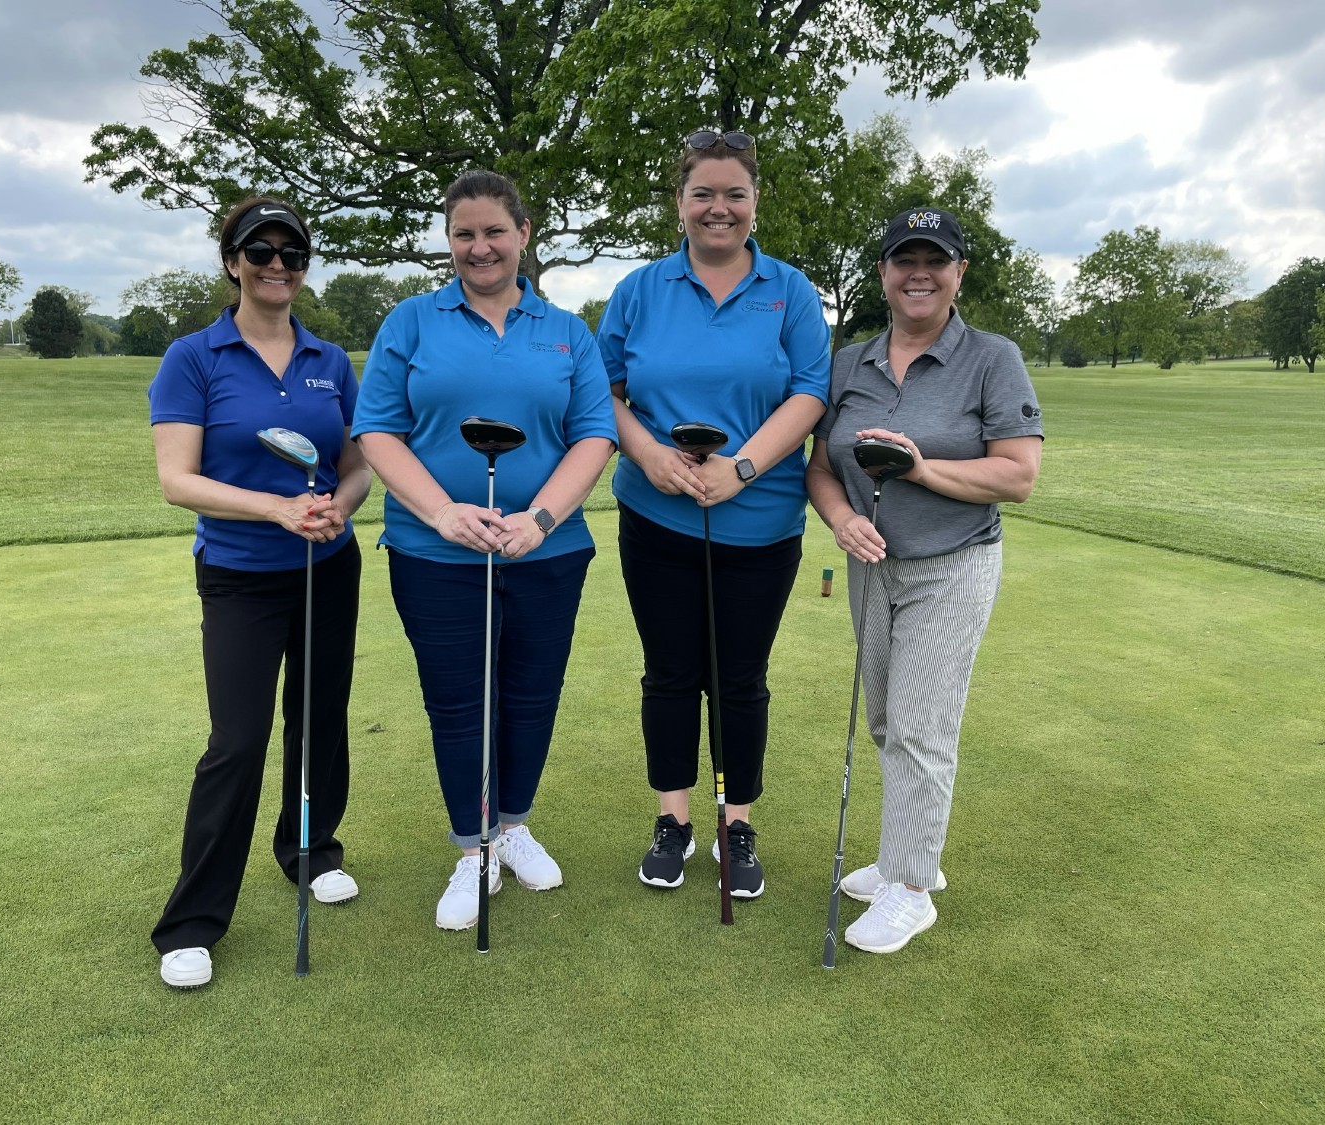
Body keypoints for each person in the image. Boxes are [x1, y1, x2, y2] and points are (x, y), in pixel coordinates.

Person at [354, 170, 617, 930]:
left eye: (494, 232)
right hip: (435, 553)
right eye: (464, 233)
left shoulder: (567, 331)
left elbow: (594, 433)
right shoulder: (410, 321)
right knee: (460, 702)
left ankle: (516, 822)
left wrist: (539, 517)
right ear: (449, 240)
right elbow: (378, 431)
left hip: (548, 550)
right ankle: (475, 848)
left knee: (532, 693)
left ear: (524, 234)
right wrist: (440, 513)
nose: (480, 247)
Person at [597, 129, 830, 898]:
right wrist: (649, 455)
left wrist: (742, 467)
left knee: (739, 680)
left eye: (734, 193)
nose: (718, 208)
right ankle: (674, 820)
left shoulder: (789, 290)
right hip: (657, 518)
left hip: (760, 523)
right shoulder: (640, 290)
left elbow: (809, 392)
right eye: (704, 193)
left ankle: (737, 822)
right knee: (670, 674)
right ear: (681, 202)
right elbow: (604, 394)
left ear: (755, 200)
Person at [147, 197, 373, 988]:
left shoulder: (330, 358)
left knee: (319, 720)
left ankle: (311, 852)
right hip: (240, 573)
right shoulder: (195, 357)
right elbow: (178, 480)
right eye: (261, 249)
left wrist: (336, 509)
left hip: (326, 565)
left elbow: (355, 463)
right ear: (232, 259)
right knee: (237, 739)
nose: (278, 263)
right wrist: (278, 507)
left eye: (293, 251)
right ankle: (193, 919)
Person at [806, 206, 1044, 954]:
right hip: (872, 564)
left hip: (954, 562)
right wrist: (841, 518)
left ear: (958, 273)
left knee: (920, 725)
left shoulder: (992, 358)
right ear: (881, 273)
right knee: (886, 719)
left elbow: (1018, 474)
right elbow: (820, 468)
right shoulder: (849, 362)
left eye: (934, 260)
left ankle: (910, 887)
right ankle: (913, 854)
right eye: (902, 259)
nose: (918, 273)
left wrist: (921, 468)